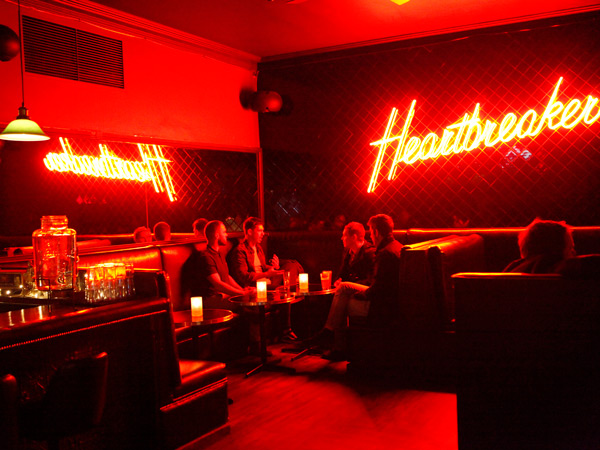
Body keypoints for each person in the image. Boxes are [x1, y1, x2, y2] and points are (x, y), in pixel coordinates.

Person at [306, 214, 403, 360]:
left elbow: (376, 288)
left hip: (382, 305)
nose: (371, 235)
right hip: (391, 300)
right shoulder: (397, 247)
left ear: (376, 232)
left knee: (343, 295)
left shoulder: (383, 253)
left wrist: (357, 294)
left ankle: (330, 335)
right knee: (342, 294)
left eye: (371, 231)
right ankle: (338, 346)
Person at [228, 217, 297, 343]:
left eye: (263, 231)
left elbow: (262, 267)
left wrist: (273, 267)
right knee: (282, 291)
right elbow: (244, 277)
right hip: (255, 286)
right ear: (249, 232)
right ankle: (286, 331)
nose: (263, 234)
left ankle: (284, 331)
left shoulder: (258, 248)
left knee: (292, 266)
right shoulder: (240, 251)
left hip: (267, 281)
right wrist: (267, 273)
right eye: (259, 231)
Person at [503, 219, 575, 274]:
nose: (574, 253)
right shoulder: (549, 266)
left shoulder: (513, 267)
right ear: (555, 251)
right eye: (570, 248)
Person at [334, 221, 376, 288]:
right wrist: (338, 281)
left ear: (354, 237)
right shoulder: (348, 252)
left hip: (364, 291)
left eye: (344, 235)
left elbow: (371, 280)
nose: (342, 238)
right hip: (349, 289)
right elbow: (342, 273)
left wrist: (350, 284)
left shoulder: (370, 253)